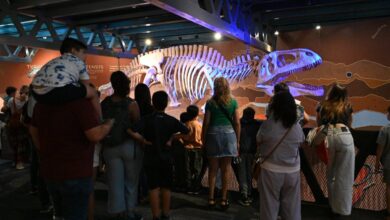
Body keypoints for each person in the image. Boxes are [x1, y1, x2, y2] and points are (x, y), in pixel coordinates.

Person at [29, 90, 114, 220]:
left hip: (51, 169)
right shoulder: (80, 105)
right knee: (76, 213)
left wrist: (45, 151)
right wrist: (108, 124)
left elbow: (33, 130)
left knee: (59, 213)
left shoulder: (41, 105)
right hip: (75, 171)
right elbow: (95, 135)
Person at [130, 91, 189, 220]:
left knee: (153, 187)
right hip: (167, 159)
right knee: (166, 187)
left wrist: (142, 140)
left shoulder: (147, 119)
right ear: (167, 103)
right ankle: (166, 214)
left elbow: (131, 130)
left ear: (153, 103)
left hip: (150, 158)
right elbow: (186, 131)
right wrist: (173, 137)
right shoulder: (171, 120)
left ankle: (155, 215)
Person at [100, 71, 143, 220]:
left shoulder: (104, 103)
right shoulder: (132, 104)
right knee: (131, 182)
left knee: (114, 181)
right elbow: (137, 124)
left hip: (110, 148)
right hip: (129, 146)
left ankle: (117, 212)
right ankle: (130, 212)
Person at [256, 91, 304, 220]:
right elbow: (300, 143)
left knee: (269, 207)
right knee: (292, 209)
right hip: (292, 171)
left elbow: (259, 140)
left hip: (271, 170)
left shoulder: (268, 125)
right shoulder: (296, 127)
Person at [31, 37, 101, 117]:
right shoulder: (78, 61)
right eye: (84, 52)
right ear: (73, 50)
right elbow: (86, 84)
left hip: (36, 92)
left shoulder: (55, 60)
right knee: (93, 92)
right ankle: (99, 120)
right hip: (57, 91)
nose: (86, 56)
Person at [201, 77, 240, 210]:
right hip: (229, 136)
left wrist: (203, 140)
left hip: (213, 136)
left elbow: (206, 123)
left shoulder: (210, 103)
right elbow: (237, 123)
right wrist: (238, 141)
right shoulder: (233, 102)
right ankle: (224, 200)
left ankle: (211, 199)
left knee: (212, 169)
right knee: (226, 169)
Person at [317, 83, 355, 217]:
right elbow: (350, 123)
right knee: (345, 175)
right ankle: (342, 209)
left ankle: (332, 207)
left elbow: (319, 123)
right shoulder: (347, 106)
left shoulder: (323, 105)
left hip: (330, 136)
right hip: (345, 135)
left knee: (331, 175)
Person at [134, 83, 154, 204]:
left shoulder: (133, 107)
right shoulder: (151, 109)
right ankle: (146, 193)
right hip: (148, 143)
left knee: (138, 169)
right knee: (146, 169)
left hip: (136, 141)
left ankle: (138, 194)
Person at [237, 107, 261, 206]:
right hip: (252, 152)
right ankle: (249, 194)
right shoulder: (257, 124)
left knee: (242, 174)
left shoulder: (239, 123)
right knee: (249, 174)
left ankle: (244, 195)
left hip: (241, 152)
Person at [181, 105, 203, 194]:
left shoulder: (187, 124)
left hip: (187, 148)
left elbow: (184, 136)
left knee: (188, 168)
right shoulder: (199, 125)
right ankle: (196, 187)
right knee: (197, 168)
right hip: (198, 149)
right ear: (197, 114)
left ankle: (189, 187)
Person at [7, 85, 30, 169]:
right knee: (21, 143)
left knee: (14, 143)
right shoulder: (27, 101)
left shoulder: (10, 100)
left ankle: (15, 161)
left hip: (12, 124)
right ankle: (19, 162)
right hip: (21, 124)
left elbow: (6, 109)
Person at [376, 106, 390, 220]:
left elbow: (380, 148)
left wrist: (376, 163)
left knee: (389, 187)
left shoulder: (385, 129)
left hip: (388, 163)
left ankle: (389, 213)